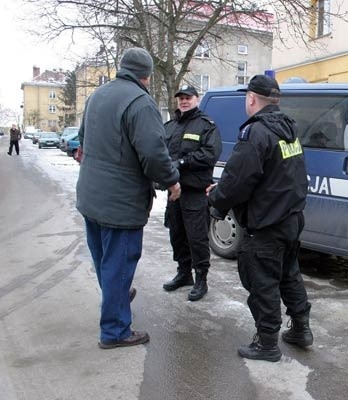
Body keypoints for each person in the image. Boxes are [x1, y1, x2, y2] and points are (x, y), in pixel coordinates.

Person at [76, 47, 181, 349]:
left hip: (90, 196)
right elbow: (153, 154)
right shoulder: (141, 103)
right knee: (119, 265)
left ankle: (116, 296)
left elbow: (83, 139)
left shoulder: (98, 95)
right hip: (120, 204)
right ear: (147, 76)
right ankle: (116, 330)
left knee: (103, 260)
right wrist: (172, 181)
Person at [207, 74, 313, 362]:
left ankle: (267, 344)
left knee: (262, 282)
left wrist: (216, 201)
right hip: (290, 219)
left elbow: (237, 181)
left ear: (252, 99)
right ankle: (301, 329)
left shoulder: (256, 132)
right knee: (289, 275)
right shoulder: (288, 128)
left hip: (267, 225)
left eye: (246, 97)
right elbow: (276, 175)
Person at [161, 85, 222, 301]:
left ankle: (201, 279)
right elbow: (161, 154)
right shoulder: (170, 126)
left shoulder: (206, 126)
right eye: (180, 99)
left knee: (197, 238)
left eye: (188, 98)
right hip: (174, 192)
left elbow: (210, 154)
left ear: (197, 99)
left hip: (195, 192)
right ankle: (183, 273)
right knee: (177, 235)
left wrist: (183, 162)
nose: (184, 102)